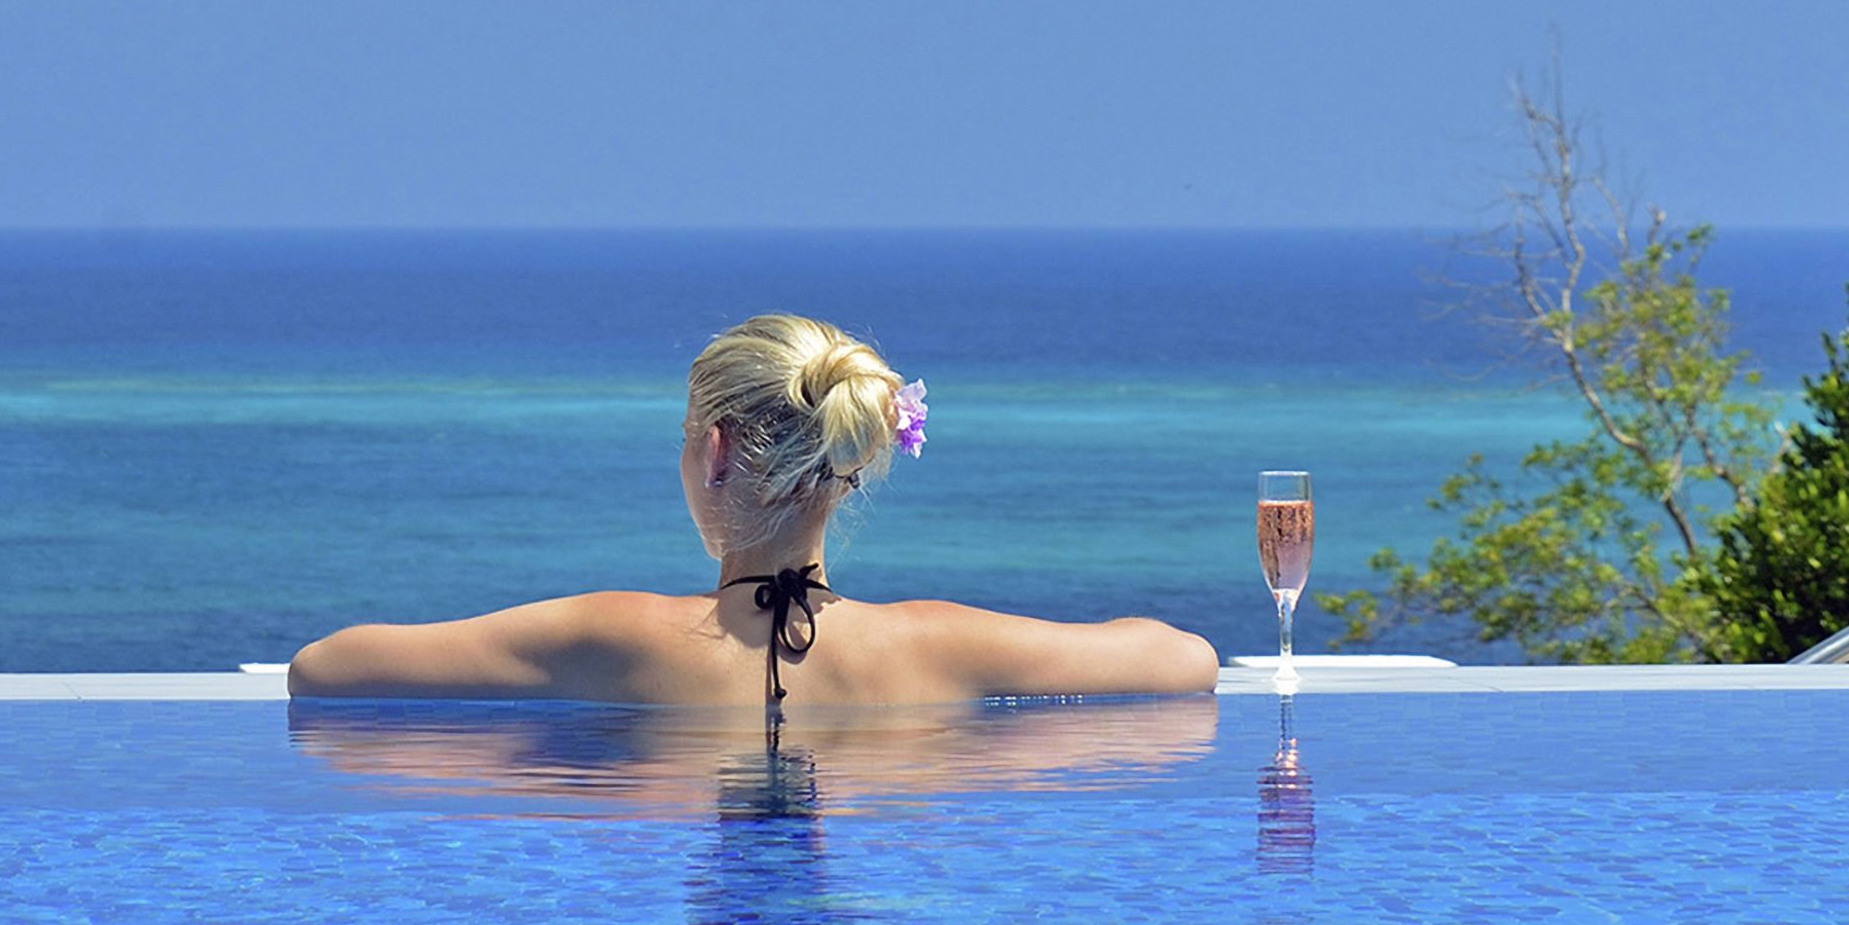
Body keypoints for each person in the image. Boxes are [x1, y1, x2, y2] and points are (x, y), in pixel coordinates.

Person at [288, 313, 1218, 707]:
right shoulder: (942, 647)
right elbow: (1184, 660)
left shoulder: (601, 639)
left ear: (716, 450)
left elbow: (322, 670)